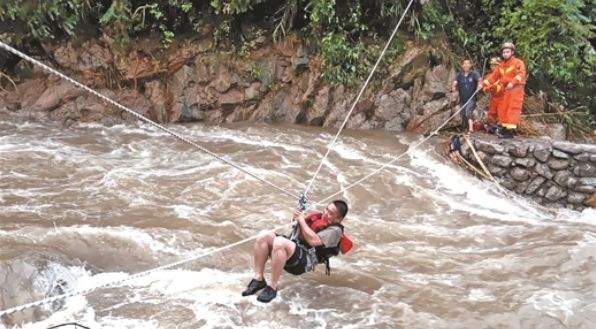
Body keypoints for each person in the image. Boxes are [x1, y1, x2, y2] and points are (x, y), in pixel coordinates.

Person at [241, 200, 349, 303]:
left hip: (304, 261)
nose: (325, 214)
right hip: (294, 249)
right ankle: (258, 279)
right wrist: (296, 218)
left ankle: (272, 287)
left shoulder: (335, 231)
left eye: (330, 213)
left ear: (339, 219)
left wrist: (301, 221)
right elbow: (296, 226)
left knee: (280, 242)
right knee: (263, 236)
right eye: (326, 209)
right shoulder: (317, 217)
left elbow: (313, 241)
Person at [493, 42, 526, 139]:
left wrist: (512, 82)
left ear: (512, 52)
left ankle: (509, 132)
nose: (505, 54)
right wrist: (483, 84)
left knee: (512, 109)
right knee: (503, 109)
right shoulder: (501, 65)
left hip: (516, 90)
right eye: (504, 52)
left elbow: (521, 74)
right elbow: (493, 76)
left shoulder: (518, 62)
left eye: (507, 52)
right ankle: (504, 129)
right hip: (506, 90)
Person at [452, 59, 482, 133]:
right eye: (464, 64)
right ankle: (464, 128)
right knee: (463, 114)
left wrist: (480, 85)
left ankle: (471, 129)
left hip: (472, 99)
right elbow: (455, 83)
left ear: (470, 65)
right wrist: (453, 87)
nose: (466, 65)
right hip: (462, 99)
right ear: (462, 66)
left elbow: (480, 80)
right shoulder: (459, 75)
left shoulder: (474, 74)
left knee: (468, 111)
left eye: (468, 64)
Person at [482, 57, 503, 127]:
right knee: (492, 112)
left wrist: (492, 87)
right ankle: (491, 126)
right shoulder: (489, 76)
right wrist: (484, 87)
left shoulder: (503, 75)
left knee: (501, 113)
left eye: (495, 65)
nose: (493, 67)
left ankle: (501, 127)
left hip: (502, 98)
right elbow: (485, 86)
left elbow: (501, 87)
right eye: (492, 65)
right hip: (493, 98)